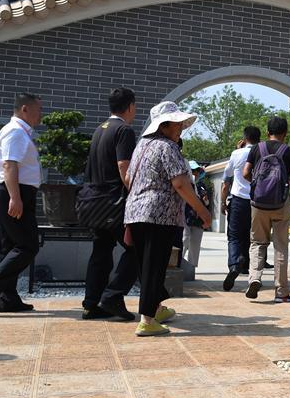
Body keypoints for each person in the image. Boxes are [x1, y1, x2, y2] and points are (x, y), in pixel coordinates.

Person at [125, 102, 212, 336]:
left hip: (135, 212)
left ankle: (156, 308)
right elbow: (180, 183)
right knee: (155, 267)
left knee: (146, 265)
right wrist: (202, 211)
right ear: (163, 125)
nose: (181, 128)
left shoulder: (141, 146)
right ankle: (147, 320)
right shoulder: (168, 147)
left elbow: (128, 178)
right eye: (177, 123)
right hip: (159, 215)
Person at [0, 93, 43, 312]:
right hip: (12, 191)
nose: (41, 114)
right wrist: (15, 197)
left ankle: (9, 297)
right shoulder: (15, 131)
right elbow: (9, 165)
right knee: (28, 245)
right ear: (25, 109)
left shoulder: (18, 131)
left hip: (11, 191)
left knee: (10, 245)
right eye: (38, 109)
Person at [82, 87, 140, 321]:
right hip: (113, 202)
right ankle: (113, 296)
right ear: (130, 106)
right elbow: (123, 166)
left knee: (101, 251)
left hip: (93, 202)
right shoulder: (124, 130)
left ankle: (91, 304)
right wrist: (135, 192)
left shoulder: (100, 129)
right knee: (138, 248)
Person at [242, 116, 290, 302]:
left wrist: (257, 185)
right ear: (285, 133)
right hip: (280, 203)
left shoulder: (257, 148)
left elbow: (245, 173)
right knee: (280, 246)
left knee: (257, 243)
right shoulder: (289, 151)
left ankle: (254, 278)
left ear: (267, 132)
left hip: (258, 204)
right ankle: (281, 291)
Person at [221, 126, 260, 290]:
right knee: (253, 238)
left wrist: (223, 202)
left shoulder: (236, 154)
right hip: (257, 202)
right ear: (259, 138)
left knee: (234, 236)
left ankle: (235, 265)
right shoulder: (262, 153)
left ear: (244, 138)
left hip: (238, 200)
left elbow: (226, 181)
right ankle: (251, 272)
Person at [181, 161, 210, 281]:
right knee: (184, 239)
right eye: (193, 171)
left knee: (195, 244)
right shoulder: (184, 184)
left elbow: (206, 203)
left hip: (198, 219)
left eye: (197, 171)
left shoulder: (201, 186)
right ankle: (177, 263)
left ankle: (191, 269)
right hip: (185, 216)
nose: (195, 173)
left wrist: (205, 200)